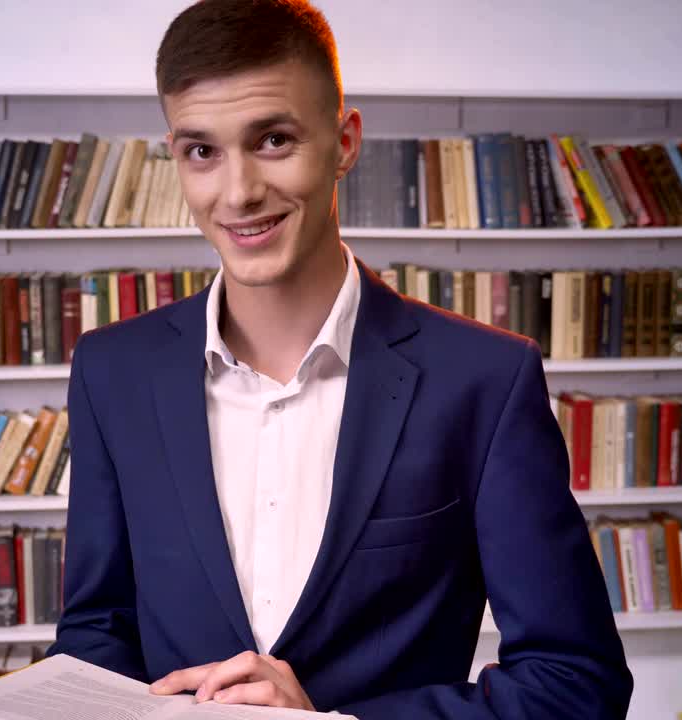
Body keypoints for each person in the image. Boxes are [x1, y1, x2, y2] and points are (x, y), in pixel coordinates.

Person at [46, 0, 633, 716]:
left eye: (273, 140)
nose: (238, 193)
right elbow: (96, 634)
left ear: (345, 141)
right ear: (176, 156)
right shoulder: (112, 372)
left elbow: (576, 683)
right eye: (203, 151)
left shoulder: (483, 380)